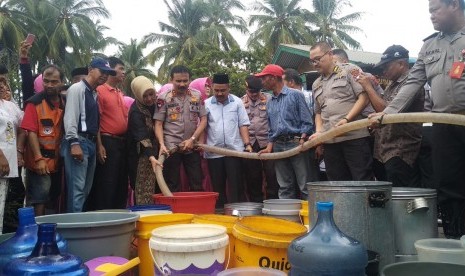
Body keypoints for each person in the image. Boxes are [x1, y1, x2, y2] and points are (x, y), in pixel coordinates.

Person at [376, 0, 465, 238]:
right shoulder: (429, 46)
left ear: (454, 5)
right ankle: (456, 242)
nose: (432, 16)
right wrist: (388, 112)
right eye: (429, 11)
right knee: (448, 185)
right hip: (444, 123)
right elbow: (414, 81)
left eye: (436, 10)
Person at [358, 45, 424, 187]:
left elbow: (386, 111)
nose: (383, 71)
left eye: (386, 66)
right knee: (386, 195)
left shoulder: (411, 83)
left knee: (401, 195)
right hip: (383, 150)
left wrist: (369, 88)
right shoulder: (391, 85)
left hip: (401, 150)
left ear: (401, 64)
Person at [309, 41, 373, 181]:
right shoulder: (316, 84)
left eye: (318, 59)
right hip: (331, 141)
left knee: (362, 180)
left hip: (354, 137)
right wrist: (319, 133)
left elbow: (363, 98)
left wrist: (346, 120)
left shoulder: (350, 70)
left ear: (330, 54)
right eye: (312, 61)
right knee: (337, 183)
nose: (315, 64)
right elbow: (318, 112)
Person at [61, 57, 115, 213]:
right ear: (90, 70)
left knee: (85, 189)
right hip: (79, 140)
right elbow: (70, 117)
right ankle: (74, 230)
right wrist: (73, 142)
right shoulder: (77, 89)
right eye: (102, 71)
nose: (105, 75)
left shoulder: (94, 93)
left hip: (90, 142)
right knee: (77, 189)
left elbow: (94, 122)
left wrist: (99, 145)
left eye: (107, 73)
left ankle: (77, 225)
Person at [256, 65, 314, 200]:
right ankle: (288, 218)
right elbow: (271, 128)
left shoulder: (295, 95)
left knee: (304, 185)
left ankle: (309, 218)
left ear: (274, 78)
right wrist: (269, 146)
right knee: (284, 186)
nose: (262, 81)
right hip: (278, 145)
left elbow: (307, 120)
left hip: (296, 143)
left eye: (264, 78)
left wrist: (302, 139)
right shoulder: (270, 101)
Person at [21, 65, 66, 216]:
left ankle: (49, 231)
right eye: (46, 81)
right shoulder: (34, 103)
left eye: (54, 82)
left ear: (61, 82)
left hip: (58, 161)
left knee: (53, 196)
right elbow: (31, 132)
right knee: (39, 198)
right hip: (39, 161)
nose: (49, 85)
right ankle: (35, 232)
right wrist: (38, 159)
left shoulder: (65, 102)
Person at [154, 65, 207, 192]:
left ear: (189, 80)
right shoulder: (163, 98)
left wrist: (194, 139)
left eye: (185, 80)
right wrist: (161, 144)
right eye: (178, 81)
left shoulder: (197, 95)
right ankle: (176, 211)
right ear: (171, 80)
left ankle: (198, 210)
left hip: (192, 146)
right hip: (171, 147)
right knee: (172, 184)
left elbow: (204, 120)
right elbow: (158, 124)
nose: (182, 84)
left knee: (196, 182)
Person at [204, 73, 252, 207]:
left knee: (236, 187)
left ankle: (237, 214)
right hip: (214, 153)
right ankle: (221, 215)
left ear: (228, 88)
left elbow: (243, 124)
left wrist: (247, 144)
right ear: (212, 88)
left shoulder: (237, 102)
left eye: (222, 90)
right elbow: (203, 126)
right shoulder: (206, 104)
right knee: (217, 189)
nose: (219, 93)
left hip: (234, 151)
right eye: (216, 90)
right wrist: (201, 145)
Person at [87, 57, 128, 210]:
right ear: (110, 70)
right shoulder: (100, 90)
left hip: (121, 142)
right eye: (120, 68)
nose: (123, 72)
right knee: (107, 183)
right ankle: (106, 217)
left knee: (120, 183)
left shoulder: (119, 92)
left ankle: (119, 216)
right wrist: (100, 145)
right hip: (107, 141)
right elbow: (97, 120)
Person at [241, 75, 279, 201]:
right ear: (246, 89)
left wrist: (271, 143)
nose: (254, 94)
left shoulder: (269, 99)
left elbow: (274, 121)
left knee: (272, 174)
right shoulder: (240, 102)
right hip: (250, 143)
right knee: (253, 176)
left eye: (256, 91)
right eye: (251, 91)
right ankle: (256, 203)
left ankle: (273, 202)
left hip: (267, 142)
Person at [127, 76, 162, 204]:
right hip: (140, 156)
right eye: (145, 96)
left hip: (158, 152)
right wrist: (151, 157)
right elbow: (141, 136)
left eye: (151, 94)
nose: (149, 99)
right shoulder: (136, 111)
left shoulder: (157, 105)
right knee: (143, 188)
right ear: (137, 95)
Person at [282, 69, 320, 183]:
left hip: (310, 143)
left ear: (291, 82)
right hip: (293, 144)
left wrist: (319, 144)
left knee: (309, 179)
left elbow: (317, 118)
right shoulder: (283, 98)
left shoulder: (309, 96)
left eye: (282, 81)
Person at [0, 77, 24, 233]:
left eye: (3, 84)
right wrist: (1, 156)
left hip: (10, 163)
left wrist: (18, 150)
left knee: (3, 204)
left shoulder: (9, 106)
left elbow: (24, 127)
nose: (2, 87)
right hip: (2, 160)